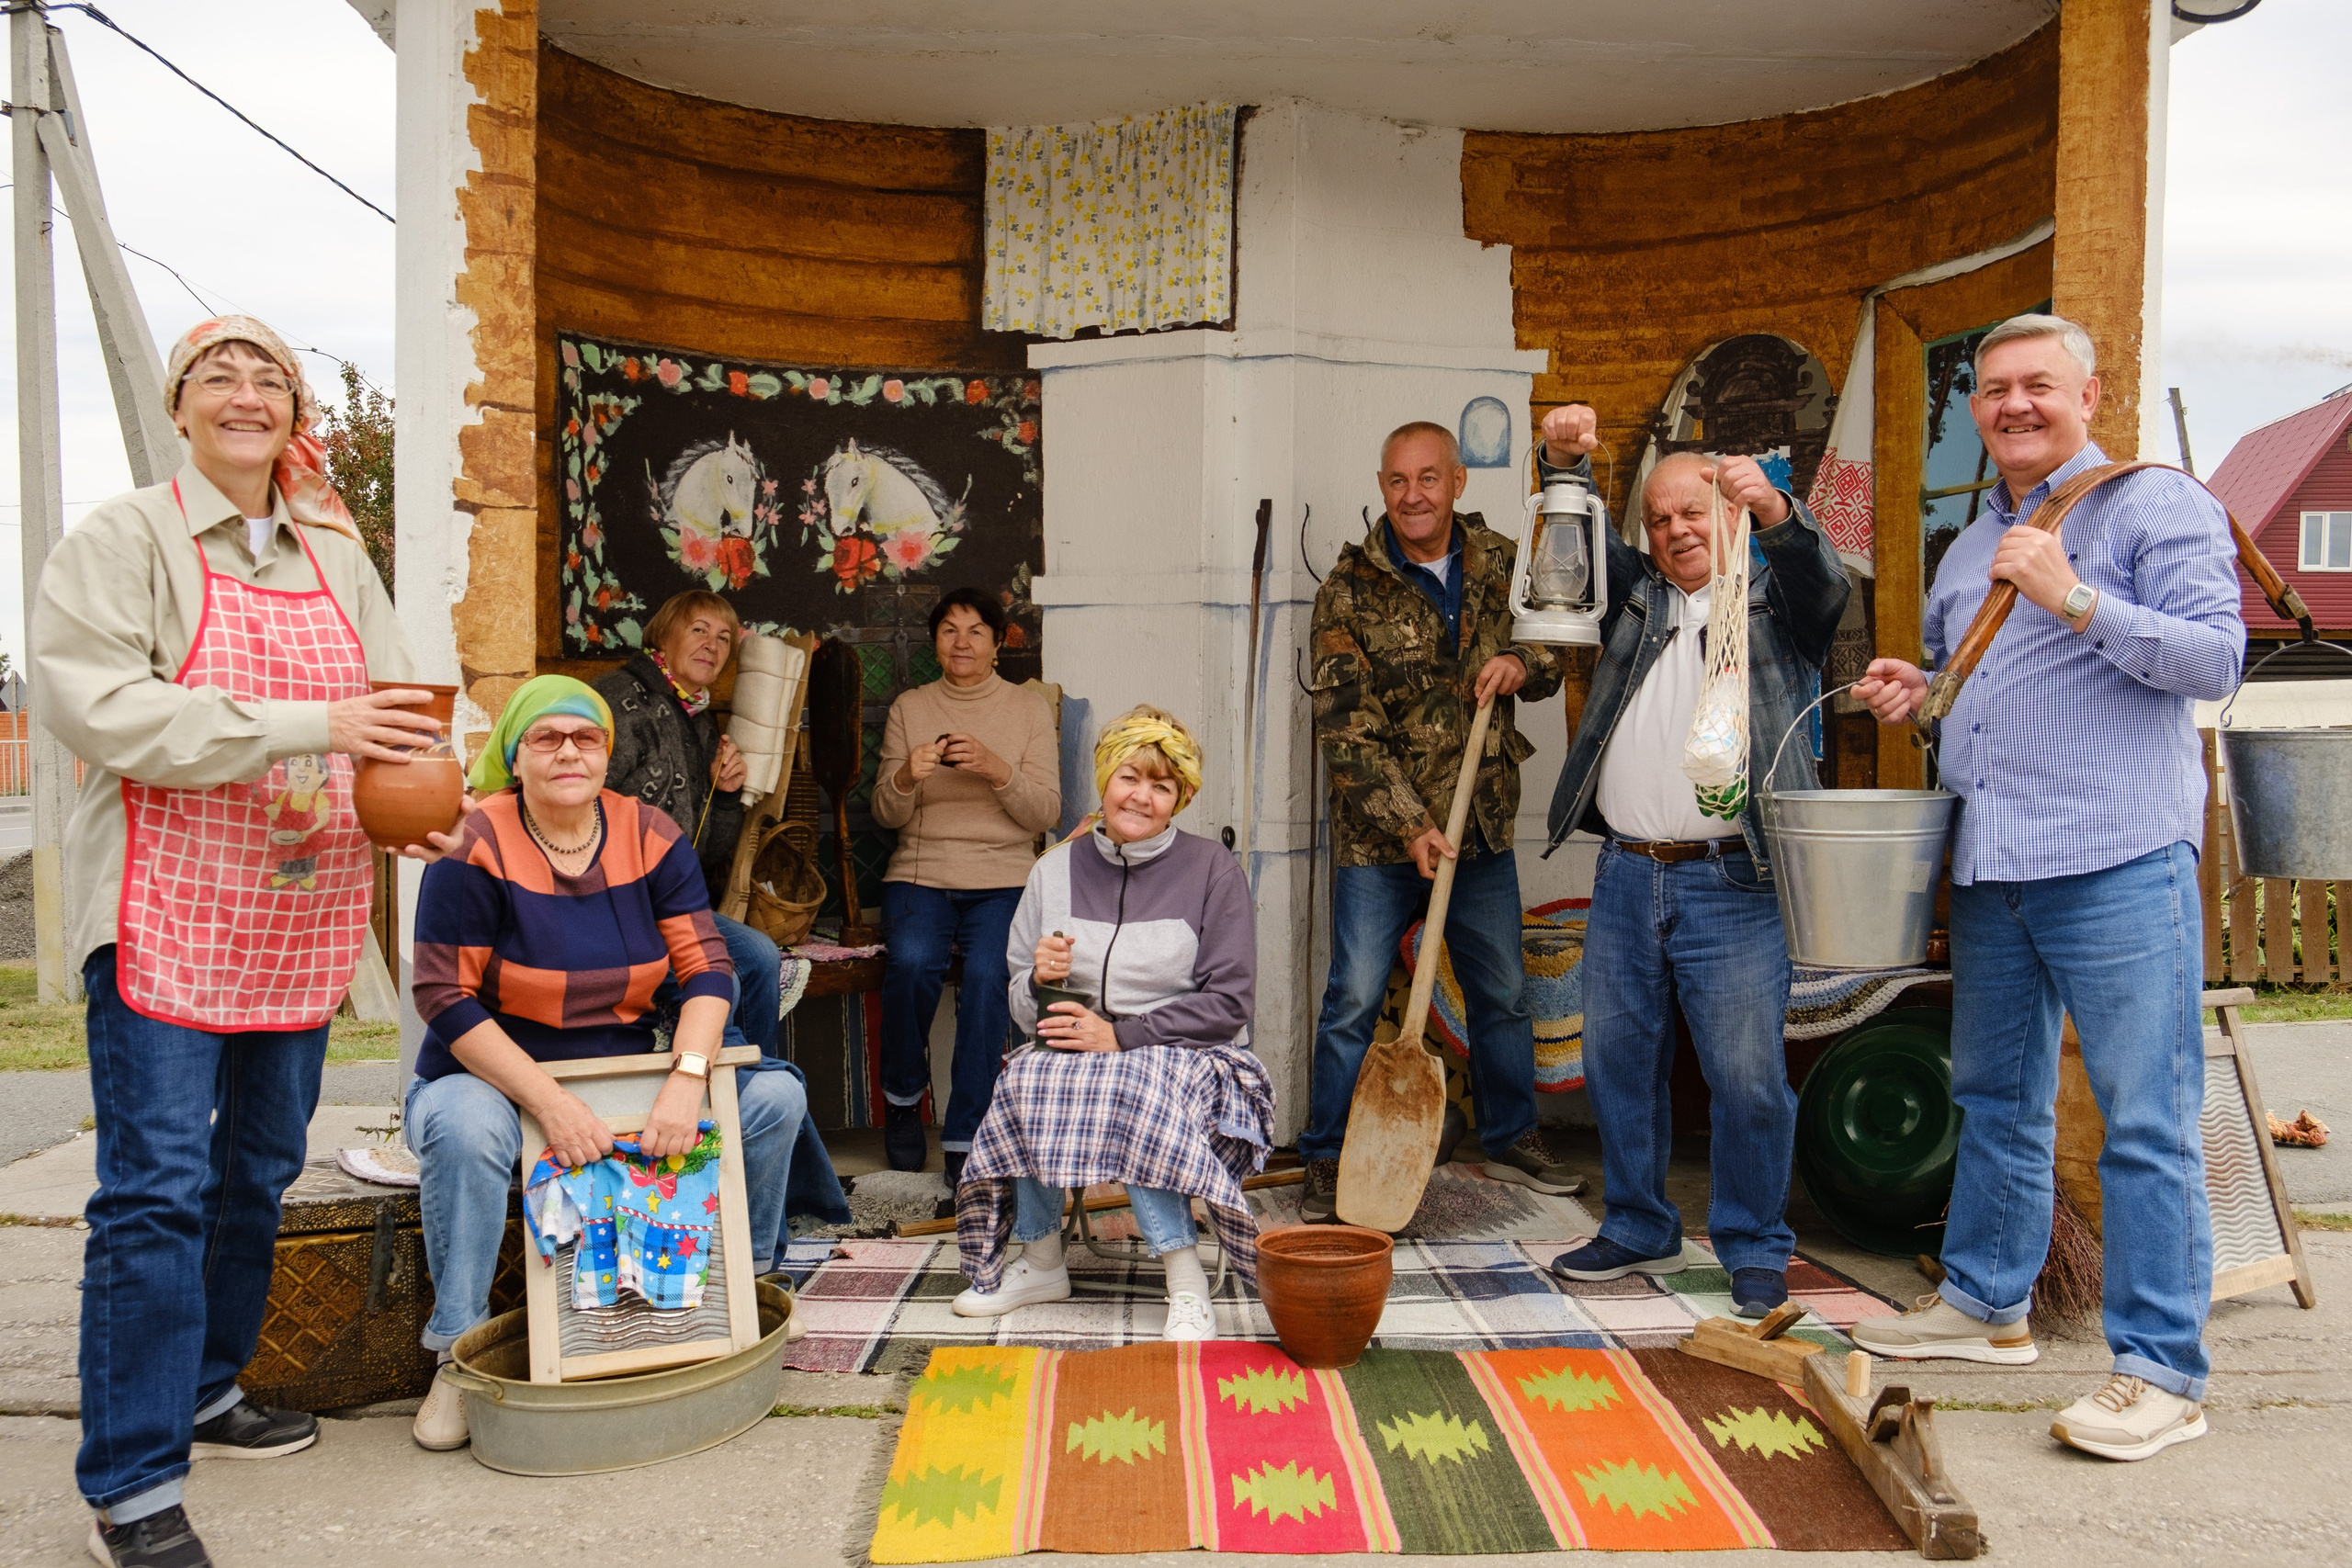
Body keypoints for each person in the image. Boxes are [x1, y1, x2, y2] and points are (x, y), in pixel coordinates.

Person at [33, 316, 449, 1568]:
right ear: (180, 408)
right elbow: (102, 708)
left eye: (271, 374)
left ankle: (210, 1383)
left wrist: (437, 793)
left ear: (293, 415)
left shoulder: (331, 546)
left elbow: (395, 695)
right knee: (153, 1191)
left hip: (294, 909)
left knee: (257, 1169)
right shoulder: (123, 540)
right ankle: (135, 1480)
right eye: (218, 371)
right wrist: (303, 722)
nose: (246, 389)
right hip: (164, 910)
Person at [1849, 313, 2242, 1462]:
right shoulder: (1971, 544)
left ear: (2089, 392)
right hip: (1995, 863)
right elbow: (1979, 691)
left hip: (2117, 856)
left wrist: (2075, 596)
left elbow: (2216, 660)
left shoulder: (2153, 504)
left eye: (2038, 385)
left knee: (2146, 1121)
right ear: (1973, 408)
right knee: (1994, 1100)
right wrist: (1914, 689)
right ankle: (1986, 1305)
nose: (2013, 404)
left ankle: (2162, 1371)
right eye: (1993, 389)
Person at [403, 676, 842, 1453]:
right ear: (515, 752)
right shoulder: (474, 841)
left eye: (587, 737)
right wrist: (549, 1102)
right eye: (547, 737)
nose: (569, 750)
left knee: (772, 1095)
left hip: (622, 1074)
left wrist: (687, 1074)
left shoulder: (650, 834)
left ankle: (746, 1288)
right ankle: (459, 1355)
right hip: (496, 1079)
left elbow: (709, 969)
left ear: (609, 751)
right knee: (461, 1126)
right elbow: (444, 998)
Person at [1532, 409, 1849, 1317]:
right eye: (1660, 518)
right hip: (1629, 872)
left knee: (1746, 1077)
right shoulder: (1638, 599)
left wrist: (1778, 513)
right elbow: (1579, 539)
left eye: (1693, 513)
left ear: (1731, 513)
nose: (1674, 531)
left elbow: (1821, 580)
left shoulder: (1774, 604)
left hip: (1734, 880)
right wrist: (1562, 460)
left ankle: (1753, 1241)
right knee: (1617, 1063)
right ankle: (1637, 1223)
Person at [1297, 420, 1580, 1224]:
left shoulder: (1502, 564)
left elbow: (1557, 640)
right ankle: (1325, 1155)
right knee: (1351, 999)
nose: (1413, 495)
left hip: (1482, 826)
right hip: (1381, 840)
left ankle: (1512, 1136)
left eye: (1428, 477)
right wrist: (1411, 825)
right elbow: (1345, 730)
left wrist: (1526, 662)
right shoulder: (1348, 589)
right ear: (1381, 487)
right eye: (1397, 481)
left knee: (1502, 992)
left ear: (1457, 481)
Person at [951, 708, 1269, 1342]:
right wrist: (1041, 982)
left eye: (1162, 785)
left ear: (1180, 797)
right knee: (1029, 1076)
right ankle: (1041, 1262)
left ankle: (1185, 1280)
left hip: (1192, 1054)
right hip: (1079, 1050)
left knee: (1135, 1085)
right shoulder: (1054, 870)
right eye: (1131, 777)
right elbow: (1023, 1005)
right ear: (1105, 778)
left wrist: (1121, 1035)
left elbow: (1230, 1003)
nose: (1142, 797)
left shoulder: (1211, 870)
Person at [870, 587, 1062, 1182]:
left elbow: (1046, 813)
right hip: (922, 873)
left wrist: (995, 768)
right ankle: (902, 1101)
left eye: (976, 630)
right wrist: (906, 775)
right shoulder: (911, 707)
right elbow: (885, 812)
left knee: (988, 976)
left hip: (1003, 876)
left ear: (997, 643)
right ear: (935, 642)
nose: (961, 641)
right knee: (911, 959)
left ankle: (966, 1132)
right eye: (950, 630)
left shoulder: (1028, 710)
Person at [595, 590, 782, 1055]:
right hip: (613, 903)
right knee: (725, 986)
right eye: (698, 630)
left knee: (761, 956)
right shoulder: (617, 700)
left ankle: (758, 1089)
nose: (712, 646)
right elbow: (581, 803)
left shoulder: (697, 720)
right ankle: (738, 1102)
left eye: (723, 638)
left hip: (669, 903)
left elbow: (708, 852)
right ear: (663, 636)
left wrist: (723, 796)